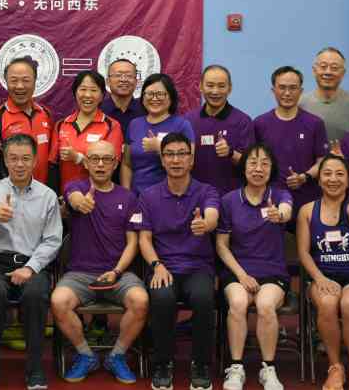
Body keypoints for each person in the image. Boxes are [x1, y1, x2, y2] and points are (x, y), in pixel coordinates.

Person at [53, 140, 146, 384]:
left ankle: (117, 355)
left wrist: (116, 271)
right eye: (94, 159)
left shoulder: (129, 197)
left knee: (140, 301)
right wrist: (79, 202)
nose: (101, 164)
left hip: (118, 273)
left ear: (116, 163)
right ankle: (86, 355)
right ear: (87, 163)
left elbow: (133, 243)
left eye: (107, 159)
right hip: (80, 274)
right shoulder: (77, 186)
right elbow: (73, 197)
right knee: (59, 301)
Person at [0, 134, 63, 390]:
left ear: (35, 161)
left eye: (25, 159)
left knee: (36, 295)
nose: (19, 164)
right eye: (13, 158)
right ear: (5, 160)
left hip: (32, 262)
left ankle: (35, 369)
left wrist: (30, 267)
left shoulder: (47, 196)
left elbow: (52, 240)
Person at [137, 133, 218, 390]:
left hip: (198, 267)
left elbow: (212, 215)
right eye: (169, 154)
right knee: (162, 299)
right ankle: (163, 364)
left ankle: (201, 364)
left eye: (182, 154)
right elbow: (144, 239)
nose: (175, 160)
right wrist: (156, 265)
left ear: (191, 159)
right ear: (162, 160)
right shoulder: (148, 196)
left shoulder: (206, 191)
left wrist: (205, 224)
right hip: (164, 267)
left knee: (204, 299)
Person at [216, 144, 294, 390]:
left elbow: (286, 211)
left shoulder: (280, 196)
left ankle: (267, 369)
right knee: (238, 303)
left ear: (271, 169)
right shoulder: (229, 201)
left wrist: (279, 215)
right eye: (252, 162)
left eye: (264, 163)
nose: (258, 168)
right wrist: (241, 275)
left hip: (272, 272)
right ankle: (236, 367)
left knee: (265, 305)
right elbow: (221, 246)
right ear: (244, 167)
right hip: (238, 272)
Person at [296, 155, 349, 390]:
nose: (333, 179)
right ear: (319, 179)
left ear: (348, 180)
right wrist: (319, 278)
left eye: (340, 174)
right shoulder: (307, 211)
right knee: (328, 303)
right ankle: (335, 368)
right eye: (327, 173)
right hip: (323, 275)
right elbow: (303, 252)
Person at [253, 66, 328, 215]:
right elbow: (253, 162)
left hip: (307, 201)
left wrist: (304, 177)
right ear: (273, 90)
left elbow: (323, 161)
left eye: (293, 88)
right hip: (270, 202)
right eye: (282, 87)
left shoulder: (315, 123)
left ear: (301, 91)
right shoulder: (260, 124)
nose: (287, 93)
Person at [50, 71, 124, 191]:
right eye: (83, 89)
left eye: (94, 90)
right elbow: (53, 165)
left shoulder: (112, 126)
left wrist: (78, 158)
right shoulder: (61, 125)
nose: (88, 95)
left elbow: (111, 166)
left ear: (102, 95)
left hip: (98, 195)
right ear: (75, 93)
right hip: (66, 195)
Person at [0, 57, 55, 186]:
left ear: (35, 81)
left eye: (26, 80)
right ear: (6, 82)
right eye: (14, 80)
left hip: (43, 192)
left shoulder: (45, 114)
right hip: (10, 194)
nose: (20, 86)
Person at [121, 74, 194, 194]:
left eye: (160, 94)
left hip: (168, 196)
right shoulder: (134, 124)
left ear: (170, 96)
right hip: (136, 196)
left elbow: (189, 164)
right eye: (149, 94)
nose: (154, 98)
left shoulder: (182, 125)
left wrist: (160, 148)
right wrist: (126, 194)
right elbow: (126, 164)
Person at [187, 64, 253, 195]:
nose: (215, 91)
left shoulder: (243, 121)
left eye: (221, 86)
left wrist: (230, 153)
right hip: (195, 196)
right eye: (210, 85)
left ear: (230, 88)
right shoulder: (188, 120)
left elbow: (251, 164)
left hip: (230, 197)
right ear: (200, 87)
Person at [300, 47, 349, 145]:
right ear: (314, 70)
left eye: (334, 68)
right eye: (323, 66)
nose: (328, 72)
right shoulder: (300, 104)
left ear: (343, 73)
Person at [100, 58, 146, 135]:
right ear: (108, 81)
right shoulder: (98, 110)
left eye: (129, 76)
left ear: (136, 82)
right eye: (118, 75)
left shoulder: (146, 111)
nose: (123, 79)